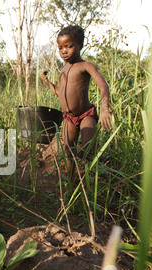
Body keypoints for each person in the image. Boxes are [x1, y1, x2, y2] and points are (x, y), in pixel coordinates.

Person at [39, 25, 112, 178]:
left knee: (87, 149)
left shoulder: (86, 66)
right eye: (60, 47)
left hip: (86, 115)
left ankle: (93, 174)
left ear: (80, 45)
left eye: (69, 46)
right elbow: (60, 92)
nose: (63, 51)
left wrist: (105, 108)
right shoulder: (63, 70)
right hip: (69, 118)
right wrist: (47, 82)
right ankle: (72, 183)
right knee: (68, 151)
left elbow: (103, 85)